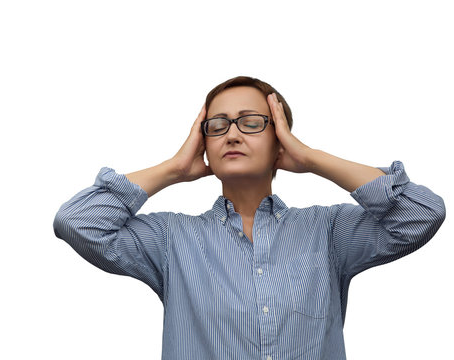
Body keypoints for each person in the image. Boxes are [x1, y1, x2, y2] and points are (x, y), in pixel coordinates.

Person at [53, 76, 446, 359]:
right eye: (218, 125)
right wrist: (174, 167)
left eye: (252, 122)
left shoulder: (328, 232)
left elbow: (421, 213)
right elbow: (78, 221)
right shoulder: (172, 239)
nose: (233, 134)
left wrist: (310, 158)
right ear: (203, 144)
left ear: (280, 140)